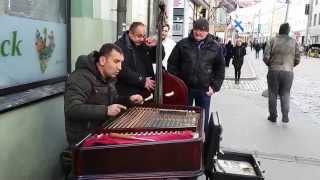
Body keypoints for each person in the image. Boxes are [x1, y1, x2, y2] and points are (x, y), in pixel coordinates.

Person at [64, 43, 144, 146]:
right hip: (85, 140)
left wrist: (129, 100)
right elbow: (72, 108)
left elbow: (113, 100)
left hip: (103, 132)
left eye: (121, 63)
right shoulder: (80, 77)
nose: (120, 67)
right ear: (102, 60)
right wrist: (105, 110)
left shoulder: (109, 78)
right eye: (116, 61)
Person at [167, 18, 225, 131]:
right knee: (182, 119)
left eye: (202, 30)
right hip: (185, 88)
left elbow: (220, 69)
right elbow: (172, 64)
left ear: (207, 32)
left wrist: (214, 87)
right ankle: (183, 142)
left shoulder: (215, 47)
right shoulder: (182, 44)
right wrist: (177, 83)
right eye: (196, 29)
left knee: (202, 122)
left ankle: (201, 144)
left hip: (204, 90)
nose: (198, 32)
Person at [263, 23, 300, 123]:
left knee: (273, 93)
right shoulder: (294, 42)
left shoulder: (272, 40)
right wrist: (290, 66)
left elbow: (265, 57)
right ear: (288, 31)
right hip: (288, 72)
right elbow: (297, 59)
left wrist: (270, 65)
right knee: (285, 93)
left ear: (280, 30)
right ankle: (285, 116)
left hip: (274, 70)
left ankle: (273, 116)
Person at [115, 22, 162, 96]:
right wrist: (141, 80)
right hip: (129, 92)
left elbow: (157, 58)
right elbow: (122, 70)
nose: (142, 39)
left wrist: (156, 47)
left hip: (146, 91)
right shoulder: (119, 46)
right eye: (139, 36)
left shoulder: (144, 43)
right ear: (130, 33)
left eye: (143, 36)